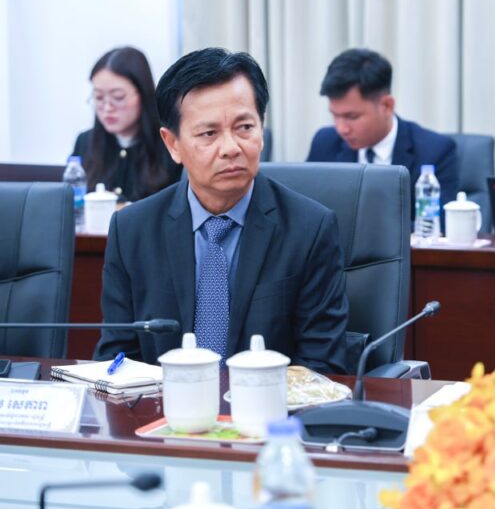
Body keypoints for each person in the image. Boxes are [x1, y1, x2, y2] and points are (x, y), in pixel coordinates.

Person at [94, 48, 351, 374]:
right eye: (209, 133)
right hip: (165, 404)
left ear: (261, 130)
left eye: (244, 127)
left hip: (268, 404)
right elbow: (116, 360)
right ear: (173, 144)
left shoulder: (309, 229)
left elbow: (322, 365)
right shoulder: (132, 230)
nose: (230, 148)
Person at [306, 48, 458, 221]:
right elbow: (307, 213)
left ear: (387, 106)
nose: (341, 129)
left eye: (351, 117)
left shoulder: (435, 150)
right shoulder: (325, 142)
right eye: (335, 115)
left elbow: (440, 224)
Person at [74, 47, 181, 201]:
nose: (107, 108)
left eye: (118, 97)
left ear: (143, 94)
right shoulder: (85, 142)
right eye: (99, 97)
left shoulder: (170, 144)